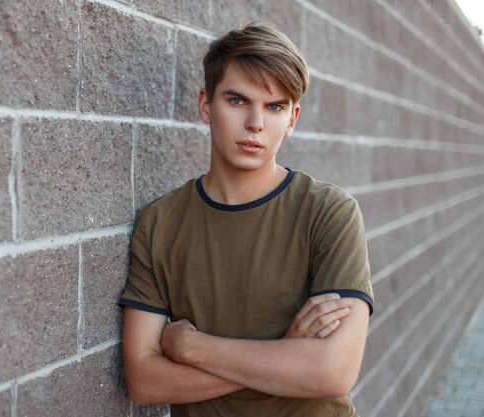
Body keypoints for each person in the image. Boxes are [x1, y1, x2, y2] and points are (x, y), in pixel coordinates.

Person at [119, 22, 374, 417]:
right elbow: (144, 381)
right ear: (206, 105)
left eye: (275, 107)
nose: (256, 122)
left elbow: (333, 372)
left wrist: (192, 348)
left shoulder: (329, 212)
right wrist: (287, 352)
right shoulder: (160, 223)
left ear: (292, 120)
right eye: (237, 101)